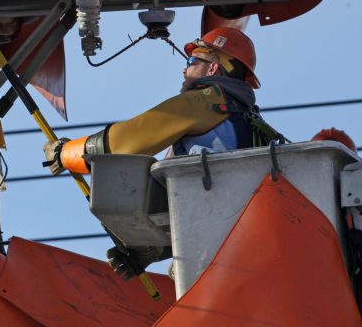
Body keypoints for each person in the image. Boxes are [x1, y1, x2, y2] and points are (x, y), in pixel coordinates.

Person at [43, 27, 282, 278]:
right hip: (241, 241)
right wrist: (156, 250)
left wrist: (66, 154)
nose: (184, 69)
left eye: (192, 61)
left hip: (214, 248)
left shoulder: (207, 102)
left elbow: (127, 142)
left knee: (127, 171)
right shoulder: (249, 124)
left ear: (213, 69)